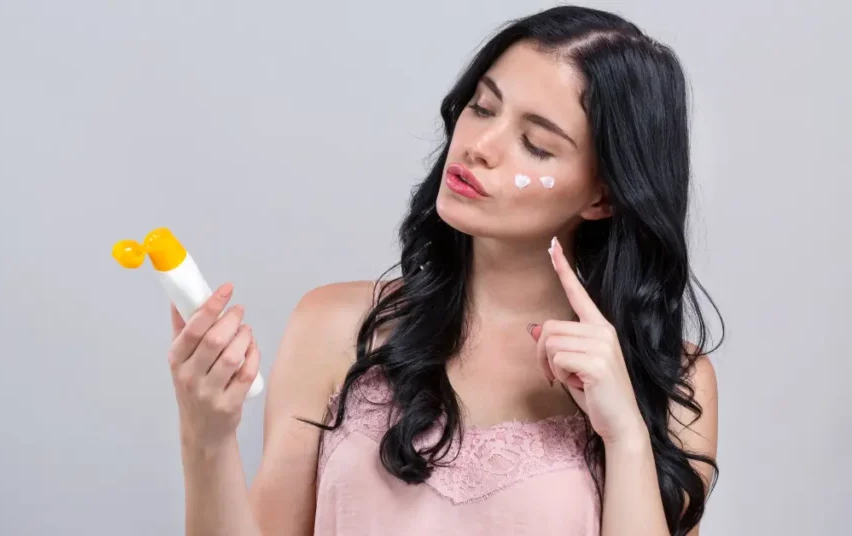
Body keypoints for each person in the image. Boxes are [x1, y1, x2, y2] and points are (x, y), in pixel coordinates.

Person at [168, 5, 721, 536]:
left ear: (602, 195)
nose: (479, 146)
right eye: (482, 108)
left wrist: (624, 435)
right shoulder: (334, 325)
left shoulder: (671, 379)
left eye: (535, 144)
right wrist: (207, 435)